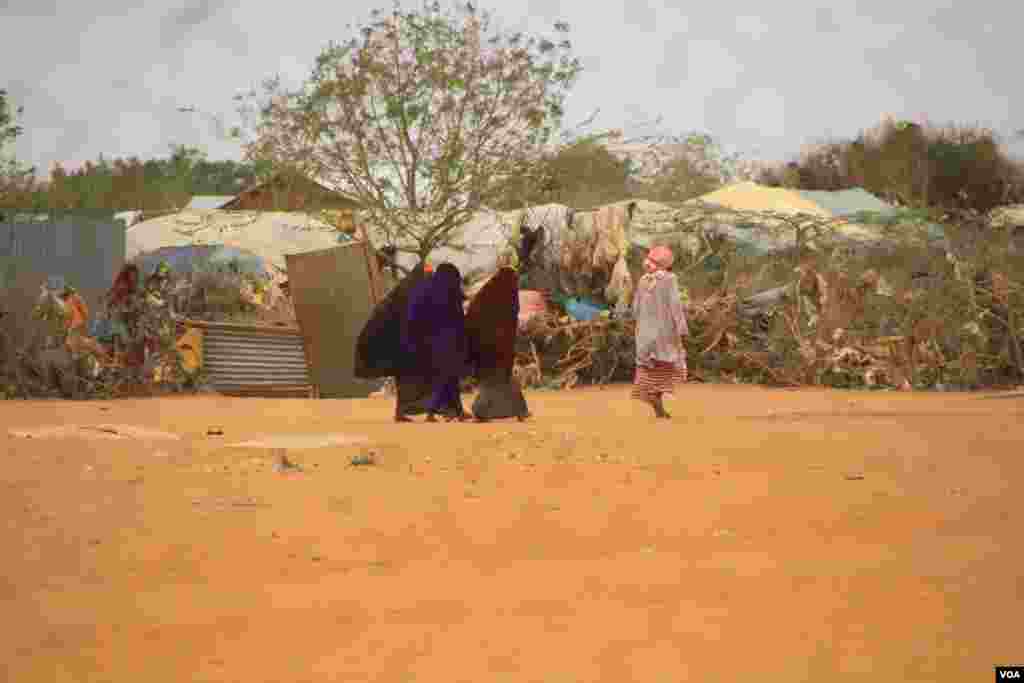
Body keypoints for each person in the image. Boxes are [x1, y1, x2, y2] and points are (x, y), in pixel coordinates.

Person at [354, 265, 461, 422]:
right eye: (428, 274)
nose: (430, 278)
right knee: (415, 377)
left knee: (408, 378)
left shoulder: (407, 289)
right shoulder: (410, 292)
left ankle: (413, 412)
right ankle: (426, 412)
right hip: (398, 341)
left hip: (400, 341)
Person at [405, 262, 471, 422]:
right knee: (446, 377)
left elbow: (415, 316)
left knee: (449, 378)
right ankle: (432, 411)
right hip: (449, 341)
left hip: (431, 342)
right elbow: (459, 318)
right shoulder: (451, 292)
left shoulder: (427, 290)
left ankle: (457, 410)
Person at [465, 266, 530, 422]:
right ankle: (480, 411)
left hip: (488, 347)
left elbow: (472, 315)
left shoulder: (485, 295)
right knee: (494, 380)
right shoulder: (506, 297)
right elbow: (510, 323)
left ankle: (521, 410)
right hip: (497, 348)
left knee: (504, 379)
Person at [631, 245, 689, 418]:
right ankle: (655, 395)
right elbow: (675, 305)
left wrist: (639, 326)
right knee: (665, 367)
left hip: (644, 333)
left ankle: (654, 400)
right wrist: (681, 328)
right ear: (667, 263)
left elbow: (635, 308)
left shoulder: (643, 280)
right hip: (664, 333)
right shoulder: (670, 279)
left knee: (647, 366)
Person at [105, 263, 145, 370]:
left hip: (131, 323)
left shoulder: (135, 289)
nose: (134, 277)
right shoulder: (121, 287)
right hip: (119, 322)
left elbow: (139, 306)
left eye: (135, 275)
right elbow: (112, 305)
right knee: (122, 344)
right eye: (132, 274)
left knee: (135, 342)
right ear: (127, 274)